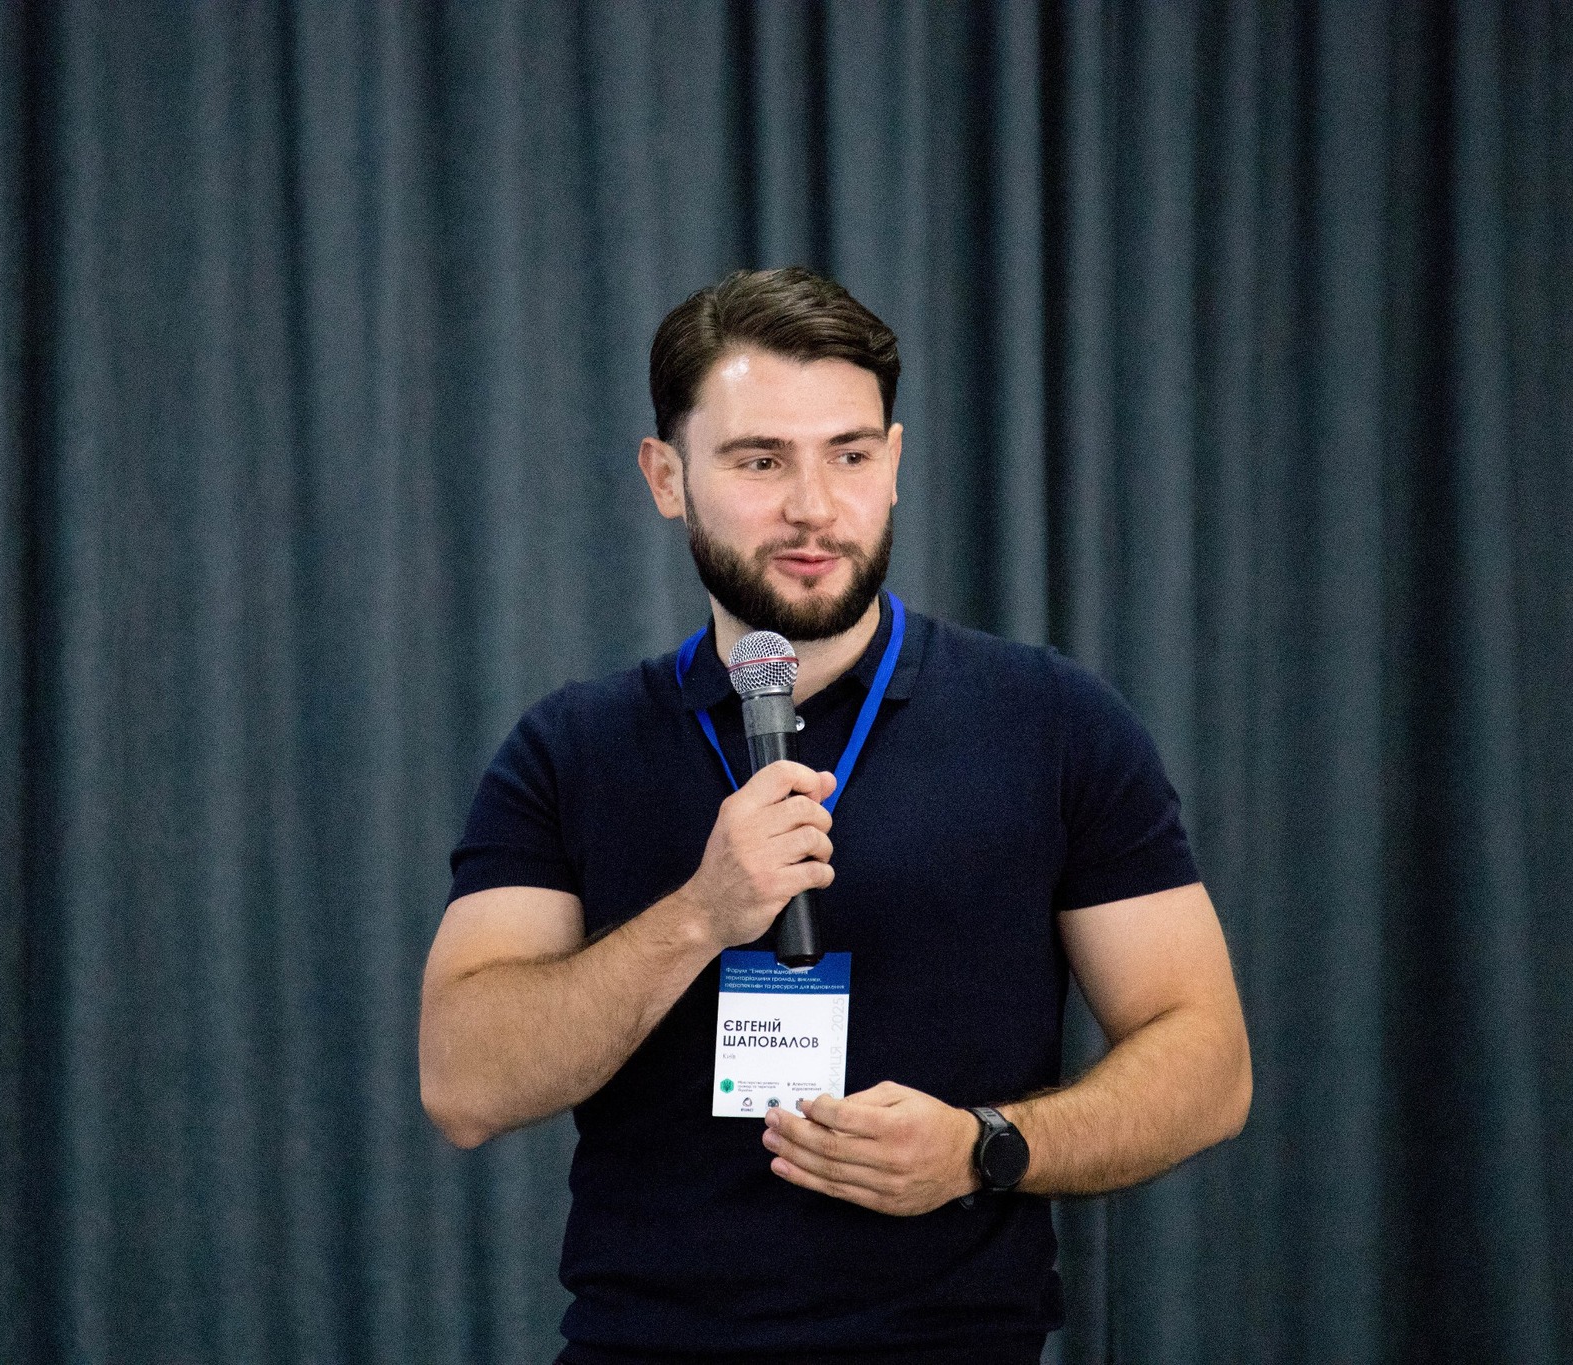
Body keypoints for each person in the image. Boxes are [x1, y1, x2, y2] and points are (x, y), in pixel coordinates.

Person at [419, 267, 1251, 1364]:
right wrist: (701, 914)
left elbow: (1206, 1060)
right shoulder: (571, 748)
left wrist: (985, 1147)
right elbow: (464, 1084)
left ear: (894, 464)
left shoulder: (1051, 720)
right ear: (665, 477)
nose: (812, 507)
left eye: (849, 456)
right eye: (760, 460)